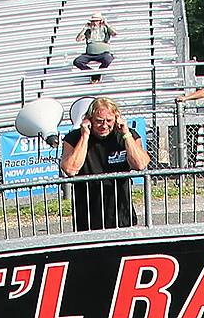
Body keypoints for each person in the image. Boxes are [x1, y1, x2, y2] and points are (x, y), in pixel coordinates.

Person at [60, 97, 149, 231]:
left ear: (116, 119)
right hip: (88, 215)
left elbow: (140, 164)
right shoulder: (74, 138)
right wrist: (85, 136)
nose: (104, 125)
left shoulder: (126, 136)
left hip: (121, 214)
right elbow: (70, 169)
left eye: (109, 120)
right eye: (99, 121)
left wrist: (126, 134)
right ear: (90, 120)